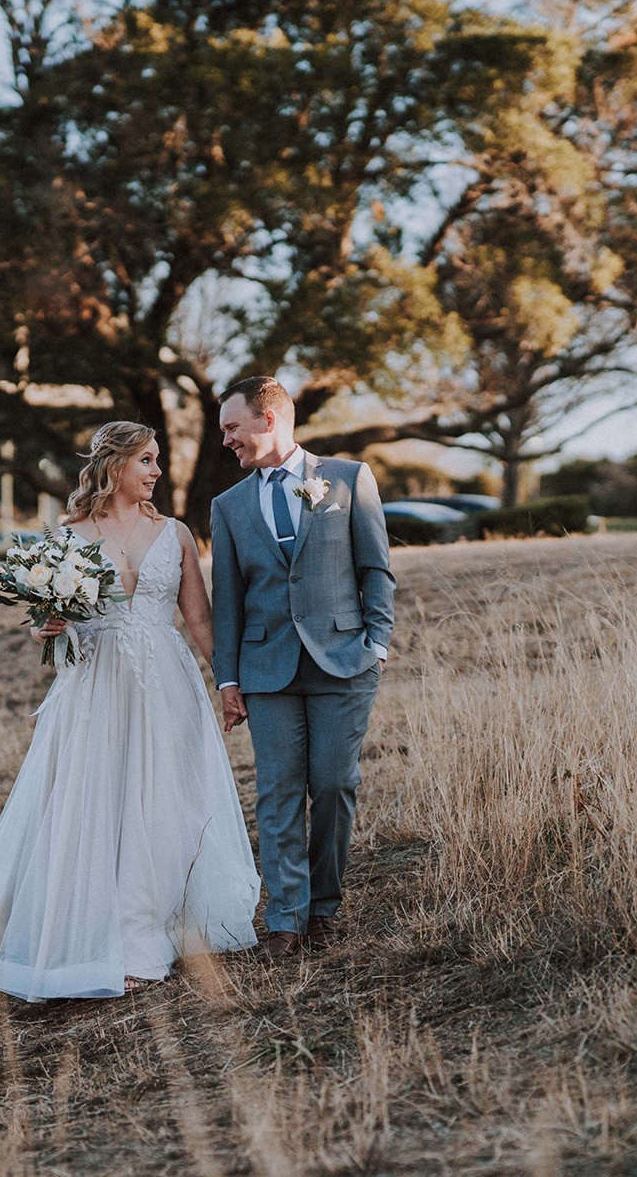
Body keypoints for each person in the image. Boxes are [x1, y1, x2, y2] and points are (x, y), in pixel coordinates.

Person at [0, 422, 260, 1000]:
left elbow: (201, 622)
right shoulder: (69, 537)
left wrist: (229, 685)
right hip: (97, 685)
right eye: (146, 460)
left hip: (166, 682)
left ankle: (145, 931)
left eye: (157, 460)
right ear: (115, 466)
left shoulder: (178, 535)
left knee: (161, 802)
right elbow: (47, 627)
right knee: (96, 803)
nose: (157, 471)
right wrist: (48, 625)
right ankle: (100, 932)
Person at [209, 378, 394, 958]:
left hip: (343, 661)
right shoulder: (228, 506)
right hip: (266, 670)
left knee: (335, 785)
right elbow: (229, 600)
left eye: (232, 428)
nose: (226, 441)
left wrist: (377, 645)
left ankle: (323, 908)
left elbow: (376, 570)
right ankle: (286, 920)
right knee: (278, 792)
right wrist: (229, 678)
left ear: (269, 420)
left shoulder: (348, 478)